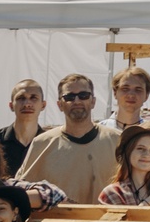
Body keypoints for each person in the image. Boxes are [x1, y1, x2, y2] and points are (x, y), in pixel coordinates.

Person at [17, 72, 117, 205]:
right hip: (58, 218)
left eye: (83, 95)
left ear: (93, 102)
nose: (77, 101)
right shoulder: (42, 143)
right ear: (59, 105)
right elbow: (22, 191)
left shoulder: (117, 140)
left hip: (108, 218)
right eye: (69, 97)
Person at [0, 79, 46, 175]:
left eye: (33, 98)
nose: (27, 104)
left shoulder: (50, 143)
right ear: (11, 106)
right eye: (21, 98)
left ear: (43, 105)